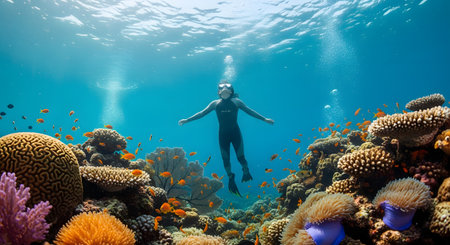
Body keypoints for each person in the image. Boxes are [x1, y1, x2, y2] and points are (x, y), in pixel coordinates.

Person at [178, 81, 274, 196]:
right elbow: (202, 113)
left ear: (231, 91)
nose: (224, 88)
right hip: (222, 135)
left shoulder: (237, 102)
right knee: (225, 159)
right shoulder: (215, 104)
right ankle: (230, 177)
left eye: (227, 86)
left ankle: (246, 171)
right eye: (221, 87)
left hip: (235, 134)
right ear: (218, 92)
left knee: (241, 157)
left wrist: (264, 119)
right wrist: (187, 120)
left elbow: (250, 111)